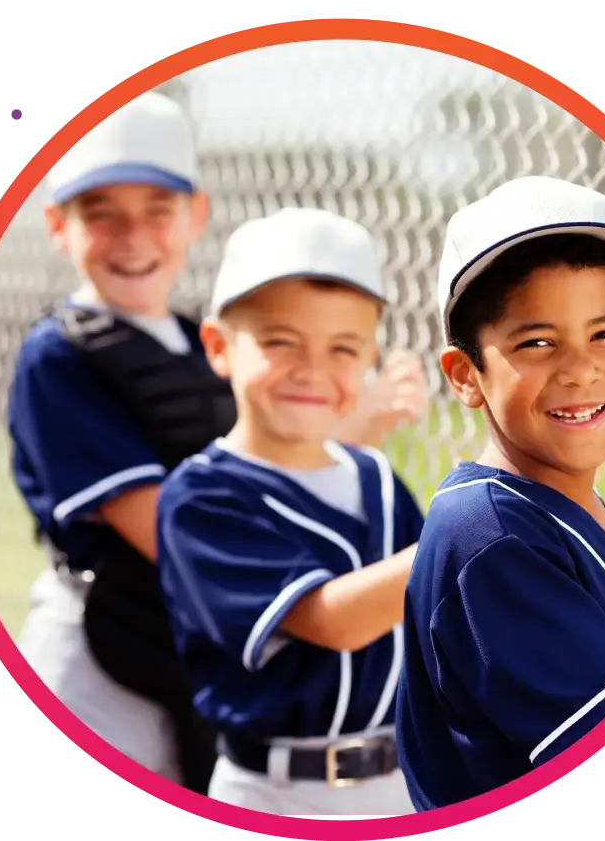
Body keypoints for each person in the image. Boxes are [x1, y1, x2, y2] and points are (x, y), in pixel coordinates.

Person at [6, 92, 429, 792]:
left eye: (157, 211)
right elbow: (167, 525)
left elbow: (269, 464)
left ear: (194, 216)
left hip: (206, 639)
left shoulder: (191, 341)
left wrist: (340, 431)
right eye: (100, 212)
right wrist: (354, 426)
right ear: (58, 224)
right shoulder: (59, 354)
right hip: (102, 645)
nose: (132, 237)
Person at [394, 176, 605, 812]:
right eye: (537, 343)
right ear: (466, 376)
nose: (580, 368)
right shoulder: (489, 538)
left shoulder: (540, 502)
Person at [155, 207, 427, 815]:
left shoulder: (377, 480)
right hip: (274, 793)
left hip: (402, 783)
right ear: (219, 346)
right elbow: (333, 621)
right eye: (280, 341)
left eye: (344, 348)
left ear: (369, 360)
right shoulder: (200, 499)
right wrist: (472, 530)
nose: (313, 369)